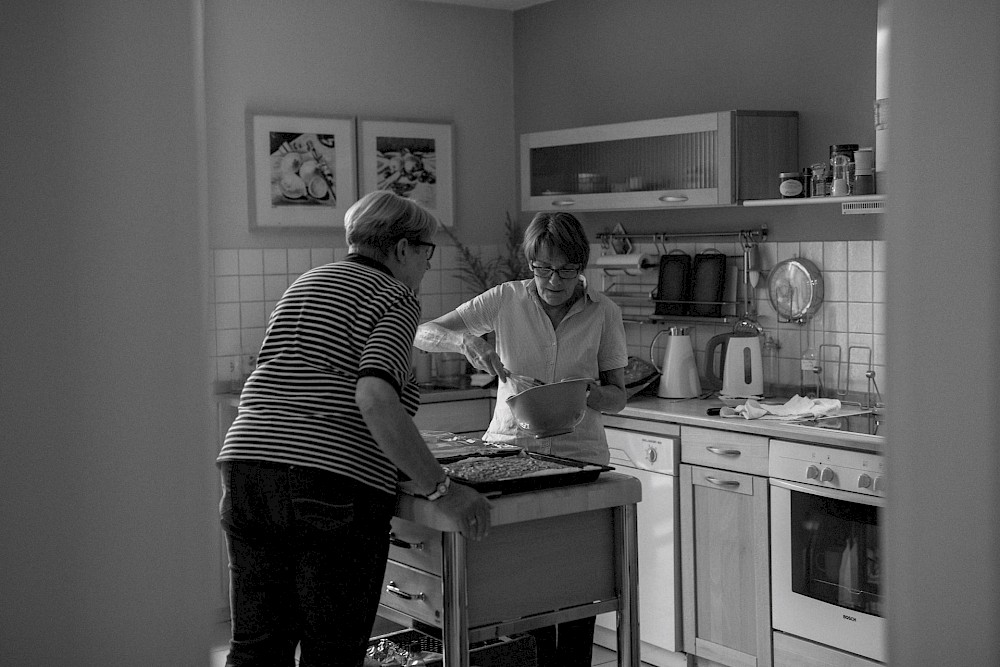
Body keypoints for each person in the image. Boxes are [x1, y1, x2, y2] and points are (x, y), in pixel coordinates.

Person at [217, 190, 493, 667]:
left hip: (248, 467)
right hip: (326, 485)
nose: (427, 265)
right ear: (403, 249)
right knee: (333, 653)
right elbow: (374, 397)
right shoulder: (394, 296)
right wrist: (443, 489)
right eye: (426, 251)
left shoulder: (307, 282)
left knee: (257, 648)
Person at [414, 210, 628, 666]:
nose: (553, 280)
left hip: (579, 462)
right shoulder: (504, 300)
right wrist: (465, 344)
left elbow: (618, 396)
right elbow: (423, 333)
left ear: (581, 266)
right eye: (542, 268)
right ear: (530, 264)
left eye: (566, 270)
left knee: (578, 592)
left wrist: (589, 393)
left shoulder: (604, 312)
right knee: (520, 593)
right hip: (511, 457)